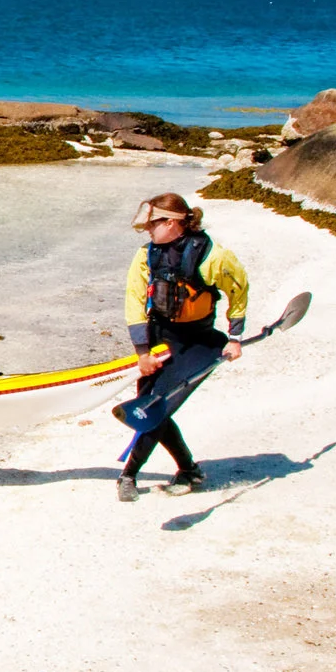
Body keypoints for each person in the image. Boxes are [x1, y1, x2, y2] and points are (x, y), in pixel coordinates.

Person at [116, 190, 250, 502]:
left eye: (154, 225)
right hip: (159, 337)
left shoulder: (212, 256)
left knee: (156, 406)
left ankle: (128, 475)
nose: (149, 231)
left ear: (174, 223)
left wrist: (235, 338)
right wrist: (142, 352)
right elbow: (134, 301)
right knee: (154, 406)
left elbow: (239, 287)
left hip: (199, 341)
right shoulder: (145, 255)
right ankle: (189, 469)